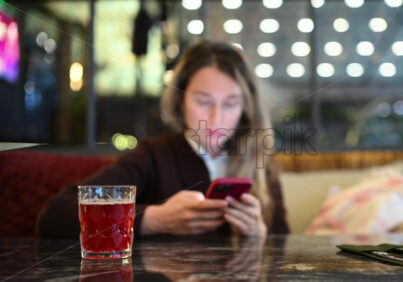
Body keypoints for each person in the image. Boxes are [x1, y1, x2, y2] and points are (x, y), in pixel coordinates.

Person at [36, 41, 289, 238]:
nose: (216, 117)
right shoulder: (154, 156)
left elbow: (285, 251)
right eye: (203, 101)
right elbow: (55, 215)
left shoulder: (259, 161)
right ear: (181, 101)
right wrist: (152, 219)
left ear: (246, 109)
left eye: (231, 104)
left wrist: (259, 236)